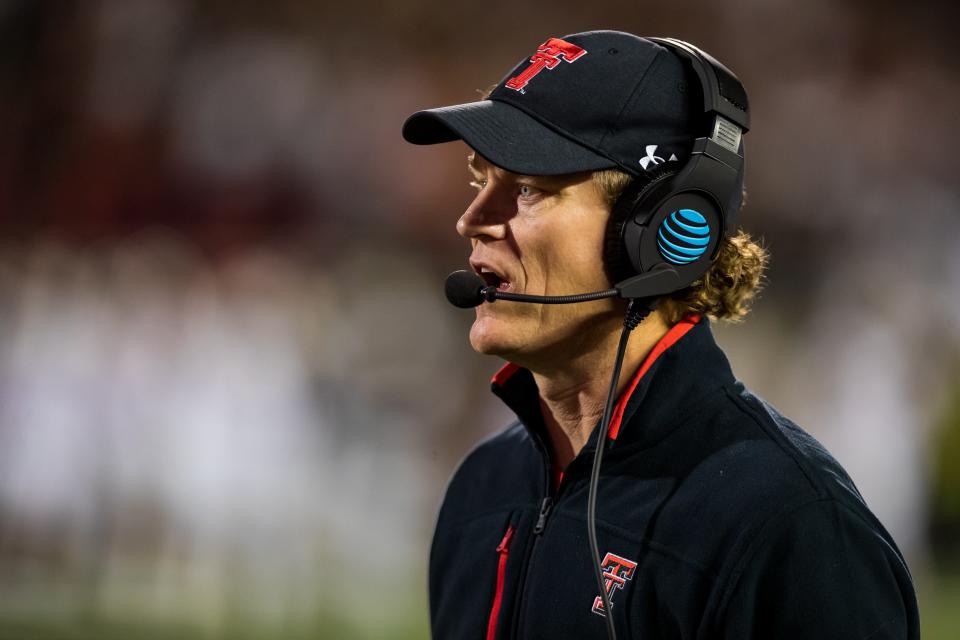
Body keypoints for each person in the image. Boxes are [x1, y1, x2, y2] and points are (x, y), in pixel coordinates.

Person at [402, 30, 919, 640]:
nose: (473, 220)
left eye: (528, 188)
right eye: (479, 181)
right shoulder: (481, 491)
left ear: (659, 231)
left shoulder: (791, 526)